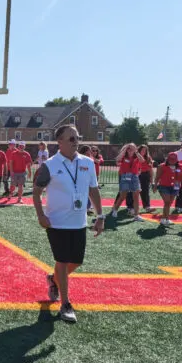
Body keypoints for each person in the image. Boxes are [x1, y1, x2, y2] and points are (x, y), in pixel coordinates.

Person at [33, 124, 105, 324]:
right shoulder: (50, 164)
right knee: (62, 262)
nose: (76, 141)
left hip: (79, 222)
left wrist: (100, 216)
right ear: (60, 142)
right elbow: (37, 191)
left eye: (77, 137)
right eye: (71, 138)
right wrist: (41, 215)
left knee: (77, 261)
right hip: (56, 222)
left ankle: (53, 279)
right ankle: (65, 304)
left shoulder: (88, 163)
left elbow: (94, 190)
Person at [109, 143, 145, 221]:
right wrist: (124, 150)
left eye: (132, 148)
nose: (130, 149)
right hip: (125, 176)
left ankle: (136, 215)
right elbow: (117, 160)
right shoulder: (124, 156)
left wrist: (136, 151)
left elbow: (142, 160)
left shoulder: (137, 156)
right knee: (122, 196)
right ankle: (115, 210)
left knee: (136, 197)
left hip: (134, 177)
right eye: (129, 148)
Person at [153, 152, 182, 226]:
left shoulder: (180, 166)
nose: (172, 161)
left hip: (175, 186)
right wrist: (155, 186)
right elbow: (157, 177)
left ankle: (165, 218)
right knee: (167, 202)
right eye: (171, 159)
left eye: (174, 159)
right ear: (167, 159)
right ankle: (165, 219)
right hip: (164, 186)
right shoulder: (161, 166)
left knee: (169, 203)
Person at [126, 145, 154, 214]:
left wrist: (151, 179)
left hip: (145, 175)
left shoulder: (148, 158)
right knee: (132, 192)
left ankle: (147, 207)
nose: (144, 152)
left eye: (145, 150)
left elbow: (150, 169)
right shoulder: (134, 156)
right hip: (135, 175)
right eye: (142, 150)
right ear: (139, 150)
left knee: (145, 191)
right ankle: (130, 207)